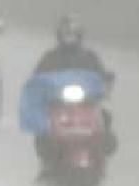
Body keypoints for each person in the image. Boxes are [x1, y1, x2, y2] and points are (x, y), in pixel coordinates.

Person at [30, 16, 117, 173]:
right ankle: (49, 160)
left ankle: (100, 152)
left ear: (79, 36)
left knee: (106, 116)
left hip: (86, 102)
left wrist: (105, 82)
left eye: (73, 35)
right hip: (58, 104)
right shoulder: (51, 57)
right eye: (66, 35)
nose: (69, 38)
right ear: (60, 36)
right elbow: (38, 76)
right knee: (43, 124)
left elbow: (101, 74)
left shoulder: (89, 57)